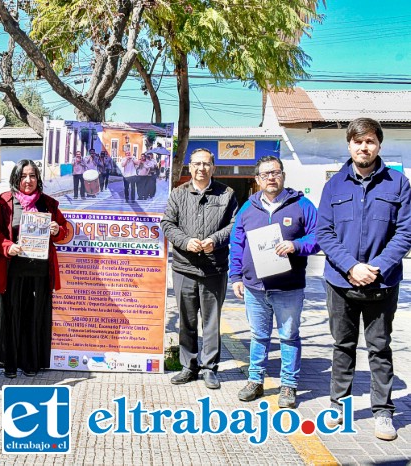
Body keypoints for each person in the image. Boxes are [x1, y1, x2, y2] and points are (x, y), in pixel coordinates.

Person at [316, 118, 411, 441]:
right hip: (340, 282)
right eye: (358, 142)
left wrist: (376, 267)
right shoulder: (334, 185)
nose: (363, 147)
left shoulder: (398, 183)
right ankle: (338, 406)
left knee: (379, 347)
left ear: (379, 145)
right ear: (349, 145)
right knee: (343, 346)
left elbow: (405, 232)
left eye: (369, 141)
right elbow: (324, 233)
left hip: (382, 283)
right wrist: (351, 267)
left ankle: (383, 412)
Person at [229, 156, 319, 408]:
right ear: (257, 179)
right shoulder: (247, 209)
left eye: (276, 172)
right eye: (265, 174)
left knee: (289, 336)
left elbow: (319, 235)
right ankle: (255, 380)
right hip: (254, 287)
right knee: (259, 336)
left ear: (283, 176)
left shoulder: (302, 205)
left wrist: (296, 245)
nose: (271, 177)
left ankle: (288, 385)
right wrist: (235, 276)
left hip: (288, 288)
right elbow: (237, 244)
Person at [161, 148, 238, 389]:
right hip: (184, 267)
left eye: (206, 164)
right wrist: (185, 241)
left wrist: (215, 240)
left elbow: (234, 225)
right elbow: (167, 223)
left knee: (212, 321)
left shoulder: (227, 194)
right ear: (190, 167)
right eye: (197, 164)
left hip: (214, 269)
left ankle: (209, 368)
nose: (201, 168)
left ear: (213, 167)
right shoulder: (178, 193)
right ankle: (188, 366)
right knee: (187, 320)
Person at [0, 160, 68, 378]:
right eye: (23, 176)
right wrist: (7, 246)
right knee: (11, 316)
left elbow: (64, 232)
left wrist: (56, 229)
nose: (28, 180)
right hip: (12, 270)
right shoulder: (3, 202)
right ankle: (10, 365)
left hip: (40, 272)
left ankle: (31, 363)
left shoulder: (48, 204)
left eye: (32, 176)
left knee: (33, 317)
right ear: (16, 178)